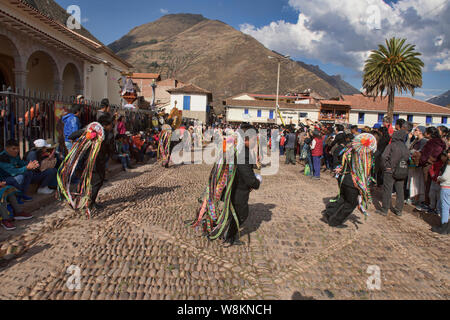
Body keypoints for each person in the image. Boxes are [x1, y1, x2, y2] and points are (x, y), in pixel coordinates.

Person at [324, 133, 377, 227]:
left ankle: (328, 213)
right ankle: (334, 221)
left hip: (344, 179)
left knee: (343, 198)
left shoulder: (349, 151)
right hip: (352, 182)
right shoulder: (363, 157)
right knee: (351, 203)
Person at [224, 124, 261, 246]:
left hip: (236, 187)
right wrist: (256, 182)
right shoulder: (242, 153)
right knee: (241, 214)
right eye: (254, 139)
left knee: (232, 213)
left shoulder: (241, 149)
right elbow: (247, 175)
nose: (255, 142)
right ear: (245, 139)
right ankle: (228, 237)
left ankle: (227, 234)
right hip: (238, 190)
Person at [68, 115, 115, 211]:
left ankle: (79, 200)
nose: (112, 126)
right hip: (99, 164)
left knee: (86, 181)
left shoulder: (90, 131)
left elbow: (72, 136)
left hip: (88, 162)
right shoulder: (108, 135)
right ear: (106, 125)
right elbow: (112, 150)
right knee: (98, 182)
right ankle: (90, 203)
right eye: (111, 125)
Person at [377, 130, 410, 216]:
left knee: (387, 190)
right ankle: (399, 209)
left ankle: (385, 209)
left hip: (390, 171)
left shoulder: (391, 145)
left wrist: (384, 167)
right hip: (401, 171)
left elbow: (384, 156)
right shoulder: (405, 147)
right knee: (400, 191)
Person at [434, 148, 449, 234]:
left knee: (444, 207)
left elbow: (445, 177)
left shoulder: (448, 164)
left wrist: (439, 178)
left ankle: (444, 226)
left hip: (446, 187)